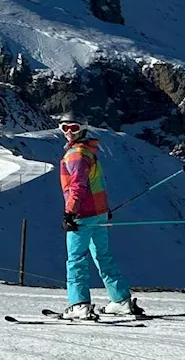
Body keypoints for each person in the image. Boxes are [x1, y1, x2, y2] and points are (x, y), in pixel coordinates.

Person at [58, 116, 142, 319]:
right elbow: (97, 182)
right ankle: (121, 300)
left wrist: (70, 212)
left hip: (82, 215)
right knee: (103, 256)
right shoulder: (88, 151)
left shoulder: (76, 155)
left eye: (74, 127)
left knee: (76, 259)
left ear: (83, 129)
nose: (69, 131)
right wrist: (104, 208)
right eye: (64, 127)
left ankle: (79, 304)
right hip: (98, 214)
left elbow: (78, 186)